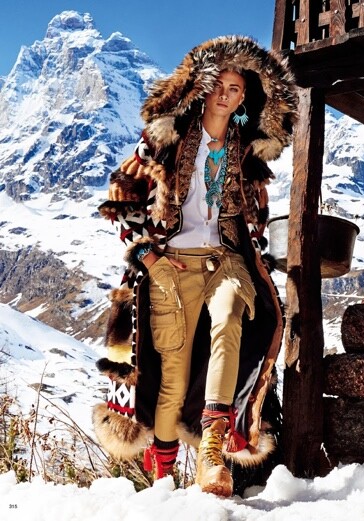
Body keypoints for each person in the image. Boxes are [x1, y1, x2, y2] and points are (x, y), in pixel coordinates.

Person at [92, 36, 297, 497]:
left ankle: (211, 453)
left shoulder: (247, 155)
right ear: (202, 88)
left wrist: (253, 252)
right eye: (219, 85)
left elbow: (256, 218)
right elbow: (121, 195)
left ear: (244, 99)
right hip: (171, 266)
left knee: (230, 317)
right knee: (174, 376)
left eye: (235, 89)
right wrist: (148, 257)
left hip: (226, 262)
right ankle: (163, 479)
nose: (226, 94)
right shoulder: (163, 141)